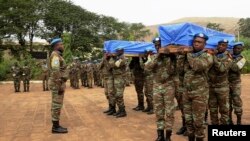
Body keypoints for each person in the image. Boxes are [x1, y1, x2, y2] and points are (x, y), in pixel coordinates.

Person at [182, 33, 213, 141]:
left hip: (200, 93)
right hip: (187, 92)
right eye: (195, 42)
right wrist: (182, 55)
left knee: (198, 122)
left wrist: (189, 53)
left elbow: (197, 67)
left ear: (205, 44)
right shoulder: (187, 56)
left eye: (199, 42)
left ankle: (199, 138)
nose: (196, 44)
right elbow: (180, 70)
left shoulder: (208, 56)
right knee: (188, 120)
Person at [145, 48, 177, 141]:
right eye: (156, 45)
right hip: (157, 87)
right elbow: (147, 67)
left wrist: (170, 57)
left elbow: (172, 71)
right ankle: (160, 135)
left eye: (159, 45)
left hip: (169, 87)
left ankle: (168, 136)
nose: (158, 47)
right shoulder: (153, 57)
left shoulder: (172, 57)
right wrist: (158, 57)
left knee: (169, 112)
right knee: (159, 112)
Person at [208, 39, 232, 125]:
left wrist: (213, 56)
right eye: (220, 45)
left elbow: (221, 69)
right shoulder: (211, 54)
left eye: (223, 45)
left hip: (222, 88)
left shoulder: (228, 57)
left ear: (226, 47)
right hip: (211, 87)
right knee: (213, 110)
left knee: (224, 110)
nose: (221, 46)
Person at [48, 38, 68, 133]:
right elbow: (56, 70)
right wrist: (59, 83)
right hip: (57, 84)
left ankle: (56, 125)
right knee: (56, 104)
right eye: (61, 44)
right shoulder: (55, 55)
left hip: (57, 83)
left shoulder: (56, 55)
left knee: (56, 104)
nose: (63, 46)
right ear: (57, 46)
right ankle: (55, 127)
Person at [228, 42, 246, 125]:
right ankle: (229, 120)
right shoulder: (229, 56)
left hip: (235, 84)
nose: (236, 50)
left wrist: (229, 60)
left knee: (237, 102)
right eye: (235, 48)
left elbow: (235, 68)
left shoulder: (242, 59)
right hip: (226, 83)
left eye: (239, 48)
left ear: (242, 49)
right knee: (227, 103)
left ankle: (239, 121)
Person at [109, 47, 127, 118]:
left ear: (122, 51)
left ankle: (123, 111)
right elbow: (111, 64)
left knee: (119, 95)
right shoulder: (117, 58)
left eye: (118, 51)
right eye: (116, 51)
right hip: (116, 78)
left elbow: (114, 65)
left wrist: (112, 58)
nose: (116, 52)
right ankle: (120, 110)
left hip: (120, 79)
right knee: (116, 95)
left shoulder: (123, 58)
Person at [139, 48, 154, 115]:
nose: (145, 54)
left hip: (151, 78)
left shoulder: (152, 58)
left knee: (150, 93)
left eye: (146, 52)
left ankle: (152, 108)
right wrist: (142, 59)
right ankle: (149, 106)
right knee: (146, 92)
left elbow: (145, 66)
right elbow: (143, 66)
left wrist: (140, 58)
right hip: (147, 78)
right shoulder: (148, 58)